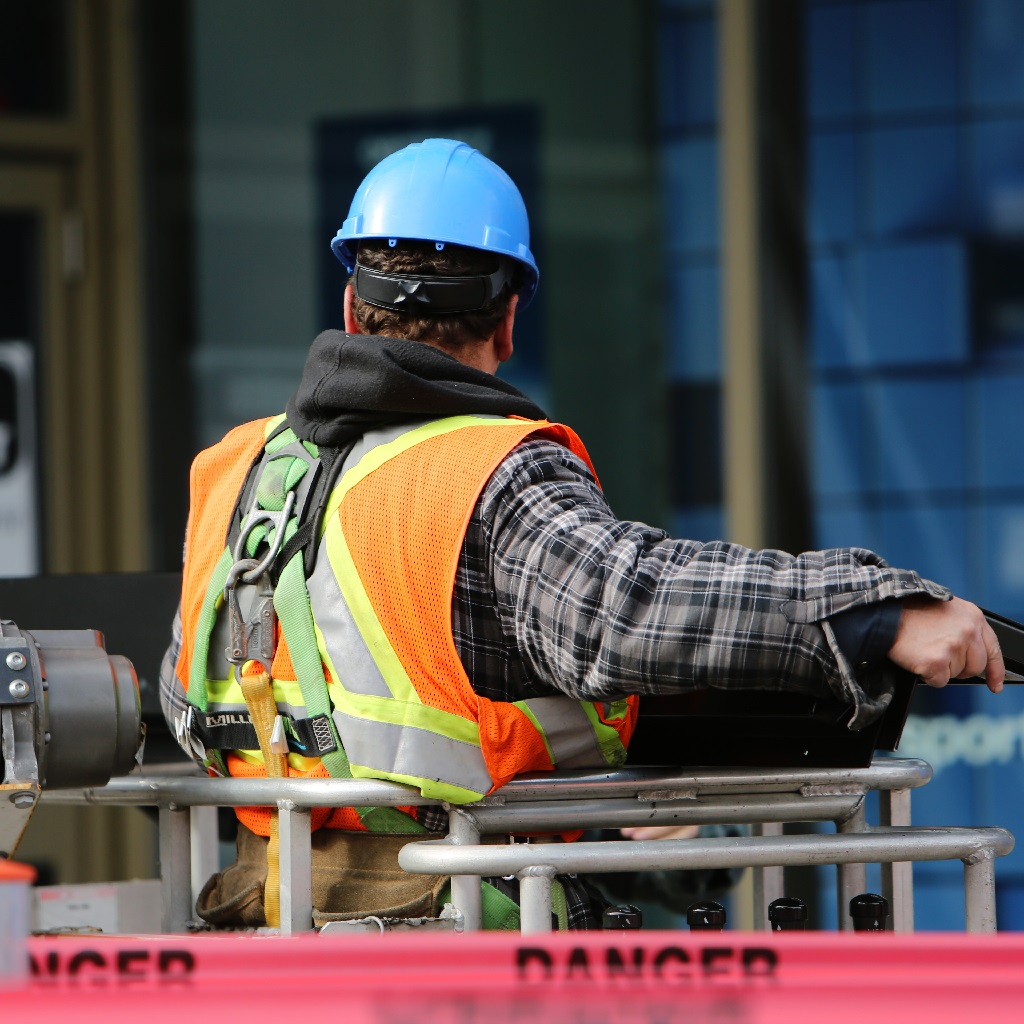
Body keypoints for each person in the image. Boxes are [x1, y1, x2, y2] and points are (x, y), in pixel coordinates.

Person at [160, 137, 1004, 932]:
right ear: (509, 320)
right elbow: (623, 608)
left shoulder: (235, 471)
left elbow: (186, 688)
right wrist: (876, 612)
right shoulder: (485, 471)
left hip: (265, 930)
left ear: (350, 303)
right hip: (456, 943)